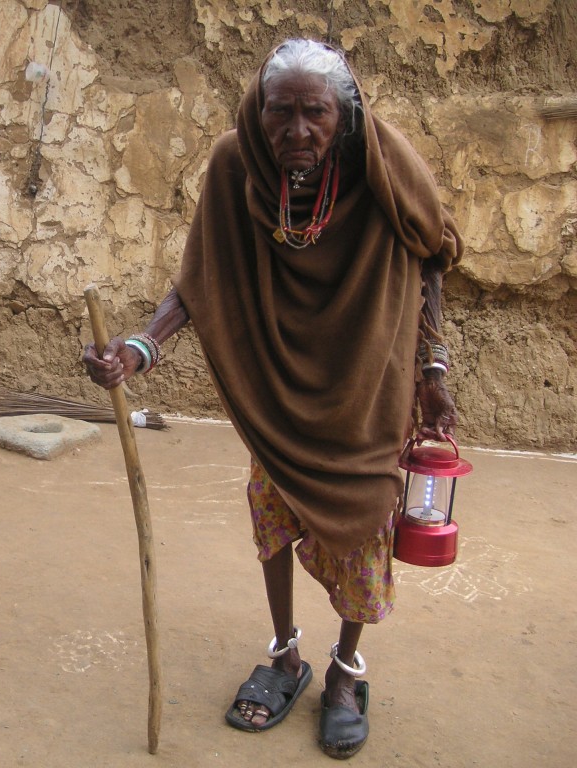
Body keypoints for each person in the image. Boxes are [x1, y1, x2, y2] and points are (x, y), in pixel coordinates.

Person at [83, 38, 461, 760]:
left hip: (366, 375)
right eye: (278, 114)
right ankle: (285, 653)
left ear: (342, 115)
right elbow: (200, 276)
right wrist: (139, 349)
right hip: (277, 384)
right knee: (272, 508)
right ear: (258, 114)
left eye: (313, 113)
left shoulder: (384, 163)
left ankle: (347, 673)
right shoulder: (237, 165)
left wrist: (434, 370)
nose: (295, 133)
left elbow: (429, 256)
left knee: (366, 521)